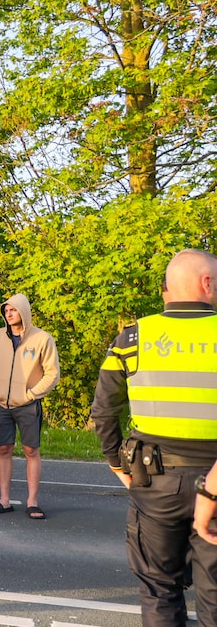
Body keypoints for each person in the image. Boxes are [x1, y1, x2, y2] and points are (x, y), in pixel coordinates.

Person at [91, 249, 217, 626]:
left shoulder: (132, 338)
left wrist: (116, 463)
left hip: (153, 481)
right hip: (214, 482)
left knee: (160, 592)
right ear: (206, 283)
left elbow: (104, 410)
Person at [0, 293, 60, 519]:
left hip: (27, 405)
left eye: (13, 310)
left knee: (30, 450)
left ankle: (32, 502)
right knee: (4, 449)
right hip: (1, 403)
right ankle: (4, 501)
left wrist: (32, 394)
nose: (8, 314)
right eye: (6, 311)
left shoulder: (42, 338)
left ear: (23, 312)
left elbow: (52, 373)